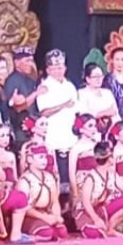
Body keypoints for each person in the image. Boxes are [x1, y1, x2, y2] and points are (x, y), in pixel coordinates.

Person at [35, 49, 78, 194]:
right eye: (55, 68)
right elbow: (44, 112)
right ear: (48, 70)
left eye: (61, 67)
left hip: (70, 137)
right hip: (53, 138)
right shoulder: (45, 87)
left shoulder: (70, 86)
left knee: (71, 179)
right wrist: (62, 106)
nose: (60, 70)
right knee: (56, 178)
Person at [73, 141, 123, 238]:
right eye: (112, 155)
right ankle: (102, 228)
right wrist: (96, 219)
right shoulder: (90, 177)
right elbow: (86, 203)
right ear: (108, 158)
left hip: (102, 210)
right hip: (87, 213)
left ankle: (110, 227)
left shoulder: (112, 174)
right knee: (94, 233)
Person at [11, 143, 68, 241]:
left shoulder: (49, 177)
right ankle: (30, 237)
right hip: (30, 216)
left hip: (46, 212)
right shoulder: (25, 180)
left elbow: (54, 201)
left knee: (61, 232)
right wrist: (44, 218)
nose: (44, 160)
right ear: (30, 160)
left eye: (45, 157)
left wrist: (56, 216)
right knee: (46, 233)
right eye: (41, 157)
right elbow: (24, 208)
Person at [1, 46, 41, 150]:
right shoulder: (13, 80)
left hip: (32, 131)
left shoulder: (30, 80)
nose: (30, 64)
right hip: (19, 132)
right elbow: (18, 107)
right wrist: (36, 93)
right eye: (27, 60)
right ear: (17, 63)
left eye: (31, 60)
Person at [76, 63, 120, 131]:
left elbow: (114, 111)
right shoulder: (82, 93)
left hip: (110, 130)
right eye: (95, 77)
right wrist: (104, 113)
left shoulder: (107, 93)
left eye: (100, 76)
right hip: (91, 131)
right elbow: (84, 114)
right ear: (88, 79)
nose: (98, 79)